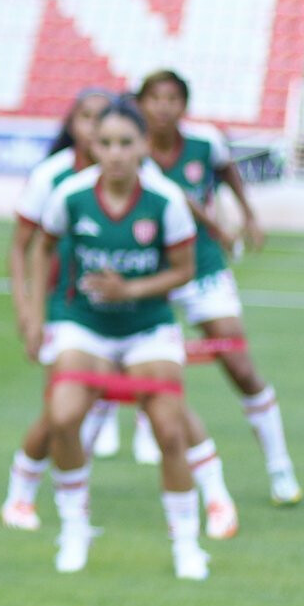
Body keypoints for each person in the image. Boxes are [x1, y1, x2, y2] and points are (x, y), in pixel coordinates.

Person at [27, 98, 210, 580]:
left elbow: (184, 271)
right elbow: (39, 248)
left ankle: (187, 543)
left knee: (170, 430)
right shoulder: (69, 194)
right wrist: (36, 314)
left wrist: (129, 289)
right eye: (105, 143)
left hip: (147, 326)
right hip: (83, 323)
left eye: (126, 143)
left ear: (145, 145)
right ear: (92, 144)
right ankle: (73, 527)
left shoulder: (166, 201)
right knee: (63, 416)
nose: (115, 153)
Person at [137, 69, 301, 507]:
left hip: (203, 269)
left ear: (184, 105)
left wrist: (247, 214)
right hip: (148, 271)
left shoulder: (205, 143)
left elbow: (228, 174)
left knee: (240, 367)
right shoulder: (130, 150)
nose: (163, 107)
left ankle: (279, 467)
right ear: (140, 104)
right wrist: (220, 226)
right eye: (154, 98)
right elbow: (179, 202)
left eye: (172, 98)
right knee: (128, 362)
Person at [0, 87, 113, 528]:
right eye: (85, 117)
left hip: (114, 314)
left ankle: (69, 502)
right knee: (63, 408)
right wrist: (28, 312)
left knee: (88, 409)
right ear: (72, 124)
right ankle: (22, 493)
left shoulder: (134, 176)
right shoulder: (52, 176)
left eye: (103, 118)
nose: (94, 127)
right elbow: (20, 248)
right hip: (63, 308)